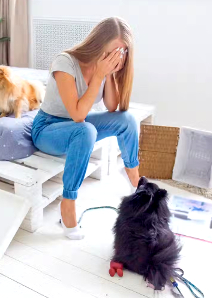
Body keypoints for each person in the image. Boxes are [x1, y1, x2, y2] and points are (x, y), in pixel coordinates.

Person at [31, 17, 139, 240]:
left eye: (123, 52)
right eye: (114, 51)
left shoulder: (104, 69)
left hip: (77, 126)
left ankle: (135, 179)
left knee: (127, 119)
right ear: (99, 43)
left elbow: (111, 106)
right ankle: (68, 202)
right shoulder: (65, 62)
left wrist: (108, 75)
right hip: (48, 128)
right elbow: (78, 115)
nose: (118, 57)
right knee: (86, 129)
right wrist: (98, 75)